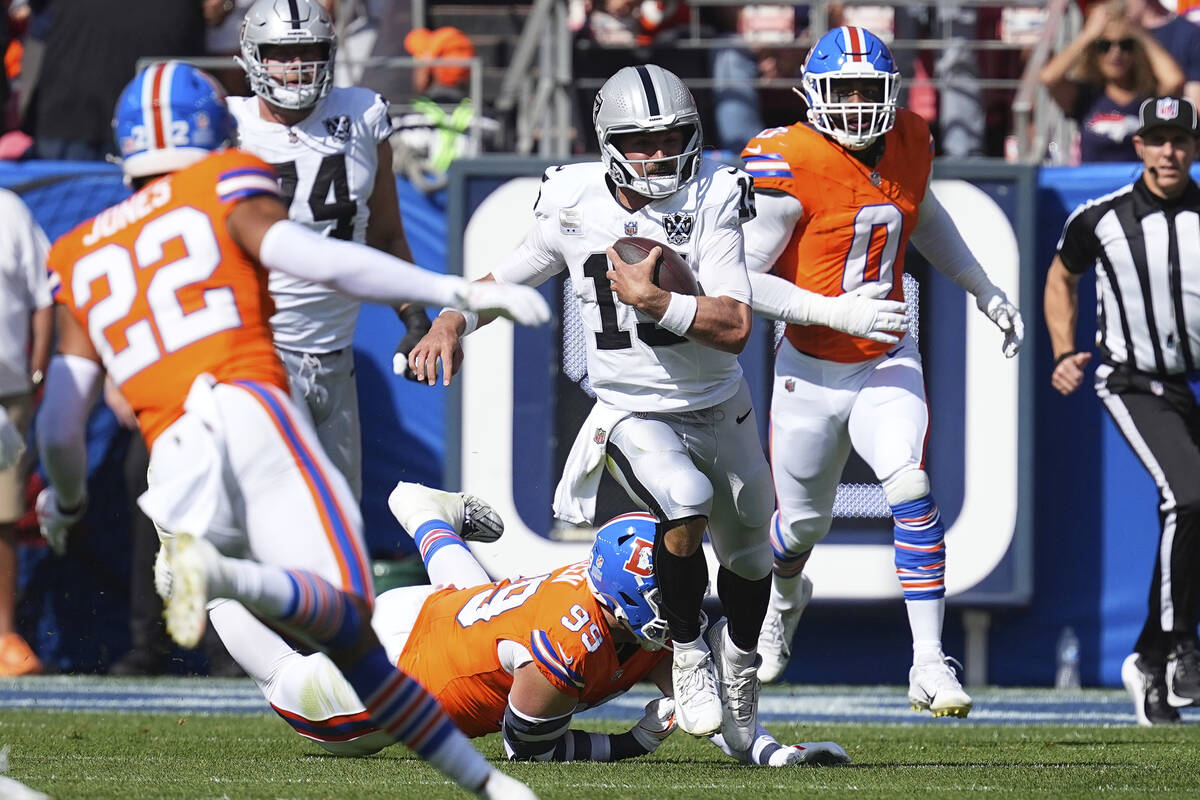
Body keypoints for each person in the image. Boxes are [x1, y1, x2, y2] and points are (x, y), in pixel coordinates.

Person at [34, 60, 548, 799]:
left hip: (177, 446)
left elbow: (59, 422)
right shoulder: (222, 182)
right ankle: (224, 576)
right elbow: (311, 256)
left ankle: (218, 581)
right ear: (213, 134)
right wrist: (446, 289)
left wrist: (67, 503)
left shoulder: (77, 251)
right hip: (252, 407)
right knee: (347, 614)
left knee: (320, 629)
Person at [408, 63, 904, 747]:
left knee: (752, 555)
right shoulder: (572, 199)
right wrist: (451, 321)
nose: (660, 153)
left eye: (672, 136)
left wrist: (655, 302)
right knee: (684, 495)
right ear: (609, 142)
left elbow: (731, 327)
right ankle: (691, 649)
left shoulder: (717, 194)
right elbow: (509, 274)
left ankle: (740, 663)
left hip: (718, 399)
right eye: (641, 142)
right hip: (631, 406)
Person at [740, 26, 1024, 717]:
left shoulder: (910, 140)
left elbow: (919, 213)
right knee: (799, 529)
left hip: (886, 357)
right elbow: (738, 280)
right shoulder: (784, 161)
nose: (861, 104)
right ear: (815, 93)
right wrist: (836, 314)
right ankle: (785, 597)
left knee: (910, 482)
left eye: (873, 89)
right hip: (807, 369)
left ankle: (928, 659)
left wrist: (981, 286)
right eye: (846, 90)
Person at [200, 482, 851, 766]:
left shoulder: (620, 616)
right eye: (664, 590)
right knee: (291, 690)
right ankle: (210, 586)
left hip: (440, 612)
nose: (678, 603)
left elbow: (715, 712)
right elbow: (526, 750)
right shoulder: (573, 642)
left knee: (478, 595)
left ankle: (424, 514)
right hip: (393, 684)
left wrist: (776, 756)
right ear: (625, 596)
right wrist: (630, 745)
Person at [230, 0, 430, 499]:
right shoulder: (227, 128)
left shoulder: (362, 114)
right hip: (259, 355)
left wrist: (414, 315)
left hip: (335, 357)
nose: (296, 67)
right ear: (254, 55)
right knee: (273, 519)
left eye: (309, 52)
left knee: (339, 523)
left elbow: (384, 234)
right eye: (280, 53)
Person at [1044, 95, 1200, 727]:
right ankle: (1183, 645)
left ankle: (1147, 657)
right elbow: (1061, 276)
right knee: (1188, 500)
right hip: (1129, 378)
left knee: (1192, 514)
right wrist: (1063, 349)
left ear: (1193, 148)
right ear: (1137, 146)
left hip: (1187, 384)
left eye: (1179, 140)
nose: (1168, 151)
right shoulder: (1101, 218)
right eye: (1157, 139)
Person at [0, 187, 50, 676]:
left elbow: (43, 295)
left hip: (5, 392)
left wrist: (36, 374)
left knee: (3, 516)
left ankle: (3, 636)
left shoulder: (9, 209)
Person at [1039, 0, 1183, 162]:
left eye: (1126, 45)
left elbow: (1174, 81)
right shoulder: (1085, 96)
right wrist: (1089, 34)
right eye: (1104, 45)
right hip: (1093, 185)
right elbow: (1049, 78)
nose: (1116, 53)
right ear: (1094, 52)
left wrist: (1140, 34)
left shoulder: (1148, 97)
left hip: (1137, 186)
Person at [392, 25, 502, 194]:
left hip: (415, 215)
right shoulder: (490, 123)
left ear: (428, 70)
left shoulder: (402, 122)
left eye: (417, 61)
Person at [1125, 0, 1200, 112]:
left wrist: (1140, 34)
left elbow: (1175, 83)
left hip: (1163, 122)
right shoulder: (1117, 33)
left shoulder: (1188, 34)